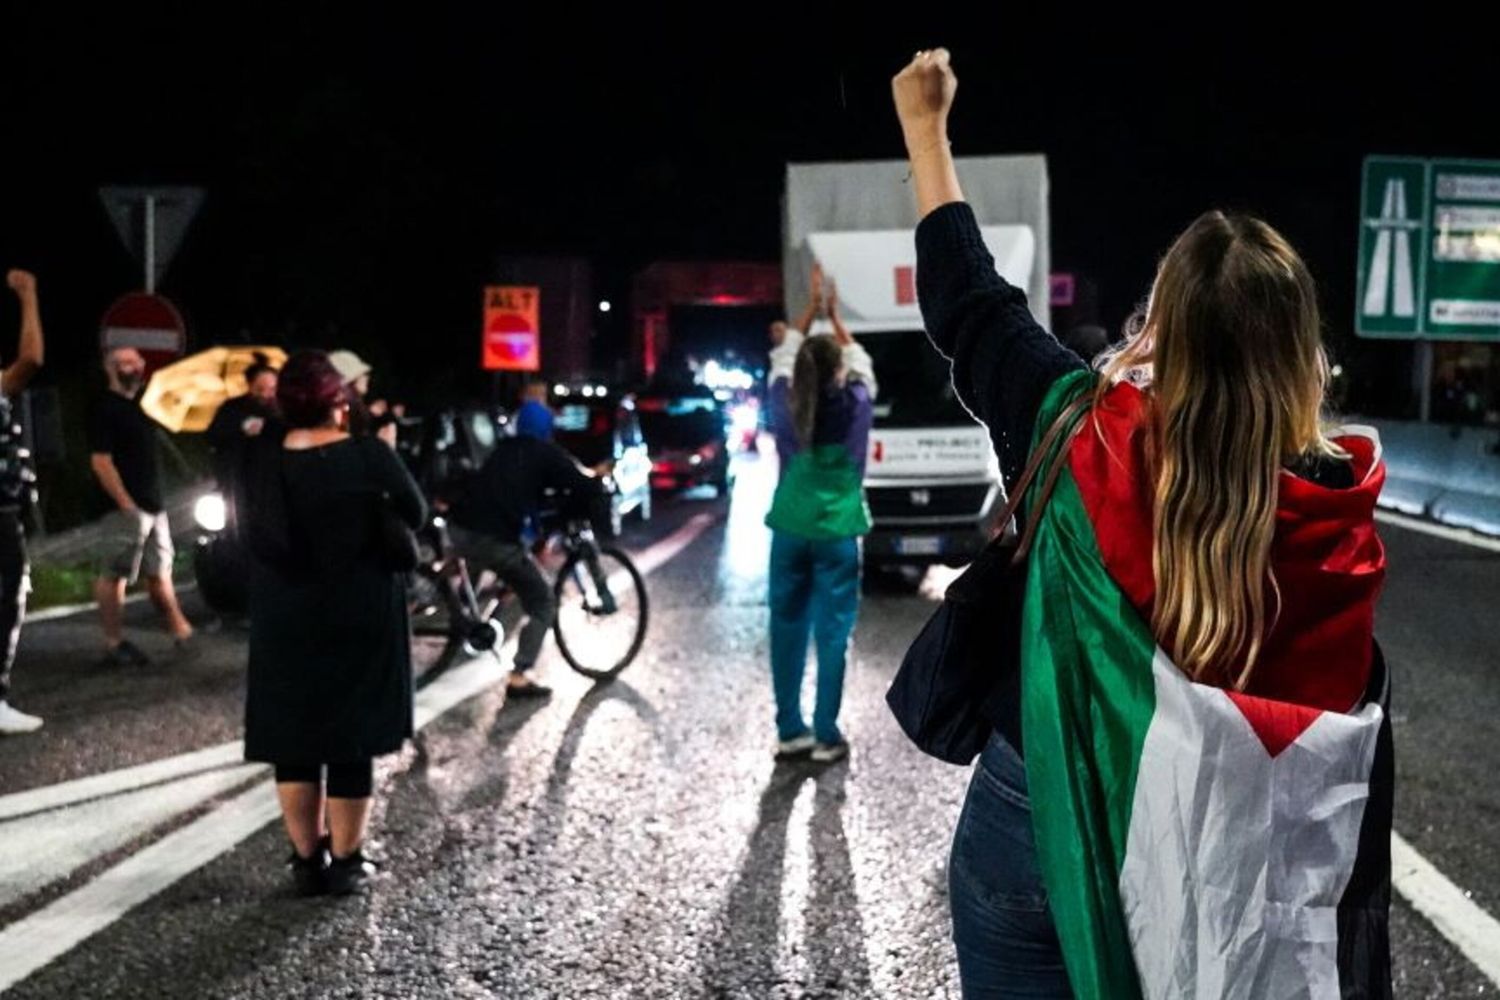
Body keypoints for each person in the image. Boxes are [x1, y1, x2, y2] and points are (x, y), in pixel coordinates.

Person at [895, 50, 1391, 997]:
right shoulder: (1342, 510)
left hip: (1037, 816)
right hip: (1227, 848)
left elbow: (970, 300)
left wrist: (927, 131)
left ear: (1161, 328)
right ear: (1301, 353)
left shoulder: (1078, 431)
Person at [240, 350, 425, 896]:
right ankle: (347, 860)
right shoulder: (369, 454)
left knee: (293, 738)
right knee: (352, 735)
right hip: (359, 610)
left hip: (283, 614)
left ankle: (305, 860)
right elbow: (413, 513)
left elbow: (247, 528)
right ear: (338, 401)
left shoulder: (263, 459)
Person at [763, 276, 876, 764]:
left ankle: (791, 731)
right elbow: (860, 362)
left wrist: (807, 312)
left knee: (785, 626)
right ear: (837, 373)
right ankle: (827, 733)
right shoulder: (856, 404)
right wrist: (833, 315)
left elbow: (785, 355)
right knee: (833, 633)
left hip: (789, 529)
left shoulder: (784, 403)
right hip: (838, 533)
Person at [441, 426, 606, 699]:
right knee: (542, 600)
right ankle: (519, 676)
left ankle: (466, 612)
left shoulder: (507, 446)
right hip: (492, 536)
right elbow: (582, 482)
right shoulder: (547, 453)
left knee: (496, 561)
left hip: (459, 527)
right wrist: (599, 478)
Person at [89, 346, 194, 667]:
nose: (137, 366)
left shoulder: (142, 407)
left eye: (138, 362)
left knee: (160, 571)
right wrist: (126, 504)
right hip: (124, 508)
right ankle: (113, 642)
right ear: (112, 368)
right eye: (128, 362)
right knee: (116, 574)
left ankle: (181, 632)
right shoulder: (104, 408)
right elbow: (101, 462)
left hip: (153, 505)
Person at [0, 269, 46, 735]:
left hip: (6, 510)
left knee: (10, 597)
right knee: (7, 597)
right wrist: (28, 295)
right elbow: (30, 360)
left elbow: (25, 362)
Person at [205, 353, 281, 535]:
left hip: (274, 486)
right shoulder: (233, 408)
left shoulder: (283, 410)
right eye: (260, 389)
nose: (267, 394)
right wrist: (241, 429)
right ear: (250, 387)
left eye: (272, 389)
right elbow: (213, 436)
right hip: (238, 483)